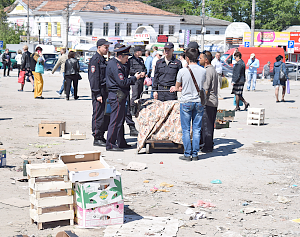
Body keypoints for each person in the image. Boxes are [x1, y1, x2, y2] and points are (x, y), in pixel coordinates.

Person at [106, 46, 141, 151]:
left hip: (120, 96)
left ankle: (121, 142)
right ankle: (110, 144)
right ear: (120, 56)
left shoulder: (117, 64)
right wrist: (135, 78)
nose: (127, 60)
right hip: (117, 95)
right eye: (126, 57)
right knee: (115, 120)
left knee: (120, 121)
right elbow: (122, 82)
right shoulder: (115, 66)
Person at [175, 48, 206, 161]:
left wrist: (181, 88)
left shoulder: (182, 71)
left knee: (186, 129)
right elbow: (203, 85)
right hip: (198, 102)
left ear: (187, 58)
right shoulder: (203, 71)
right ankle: (195, 154)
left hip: (186, 102)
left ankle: (187, 154)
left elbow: (177, 87)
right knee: (197, 129)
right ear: (197, 58)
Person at [88, 39, 112, 147]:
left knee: (104, 115)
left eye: (108, 47)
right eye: (105, 47)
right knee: (98, 115)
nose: (107, 50)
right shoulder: (95, 60)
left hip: (105, 91)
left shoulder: (102, 59)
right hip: (99, 91)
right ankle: (97, 137)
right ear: (99, 47)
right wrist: (97, 94)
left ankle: (101, 135)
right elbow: (93, 79)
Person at [114, 43, 139, 137]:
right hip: (117, 91)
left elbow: (129, 70)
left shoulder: (126, 61)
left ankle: (131, 128)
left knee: (126, 109)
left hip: (125, 89)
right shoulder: (114, 63)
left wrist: (136, 74)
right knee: (117, 115)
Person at [200, 51, 218, 153]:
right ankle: (209, 144)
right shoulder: (213, 69)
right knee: (210, 125)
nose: (199, 59)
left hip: (209, 102)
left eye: (201, 58)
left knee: (206, 125)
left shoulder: (207, 71)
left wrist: (201, 102)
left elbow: (205, 90)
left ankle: (207, 146)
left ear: (206, 60)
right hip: (213, 101)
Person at [129, 46, 147, 115]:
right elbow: (130, 70)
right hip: (135, 80)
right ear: (137, 52)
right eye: (140, 51)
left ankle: (137, 109)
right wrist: (138, 73)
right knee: (135, 95)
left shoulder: (141, 59)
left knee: (139, 94)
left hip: (141, 80)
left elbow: (144, 68)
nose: (142, 52)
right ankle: (132, 110)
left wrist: (144, 72)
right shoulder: (131, 60)